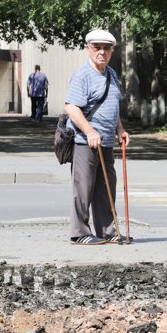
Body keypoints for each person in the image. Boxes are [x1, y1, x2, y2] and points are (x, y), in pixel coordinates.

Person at [64, 29, 130, 245]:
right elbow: (71, 108)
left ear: (111, 50)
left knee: (106, 187)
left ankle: (107, 232)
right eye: (97, 47)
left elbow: (113, 105)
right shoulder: (83, 74)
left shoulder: (111, 73)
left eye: (106, 48)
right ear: (88, 49)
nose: (102, 52)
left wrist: (120, 130)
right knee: (83, 188)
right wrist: (89, 131)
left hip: (107, 142)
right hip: (86, 142)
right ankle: (79, 233)